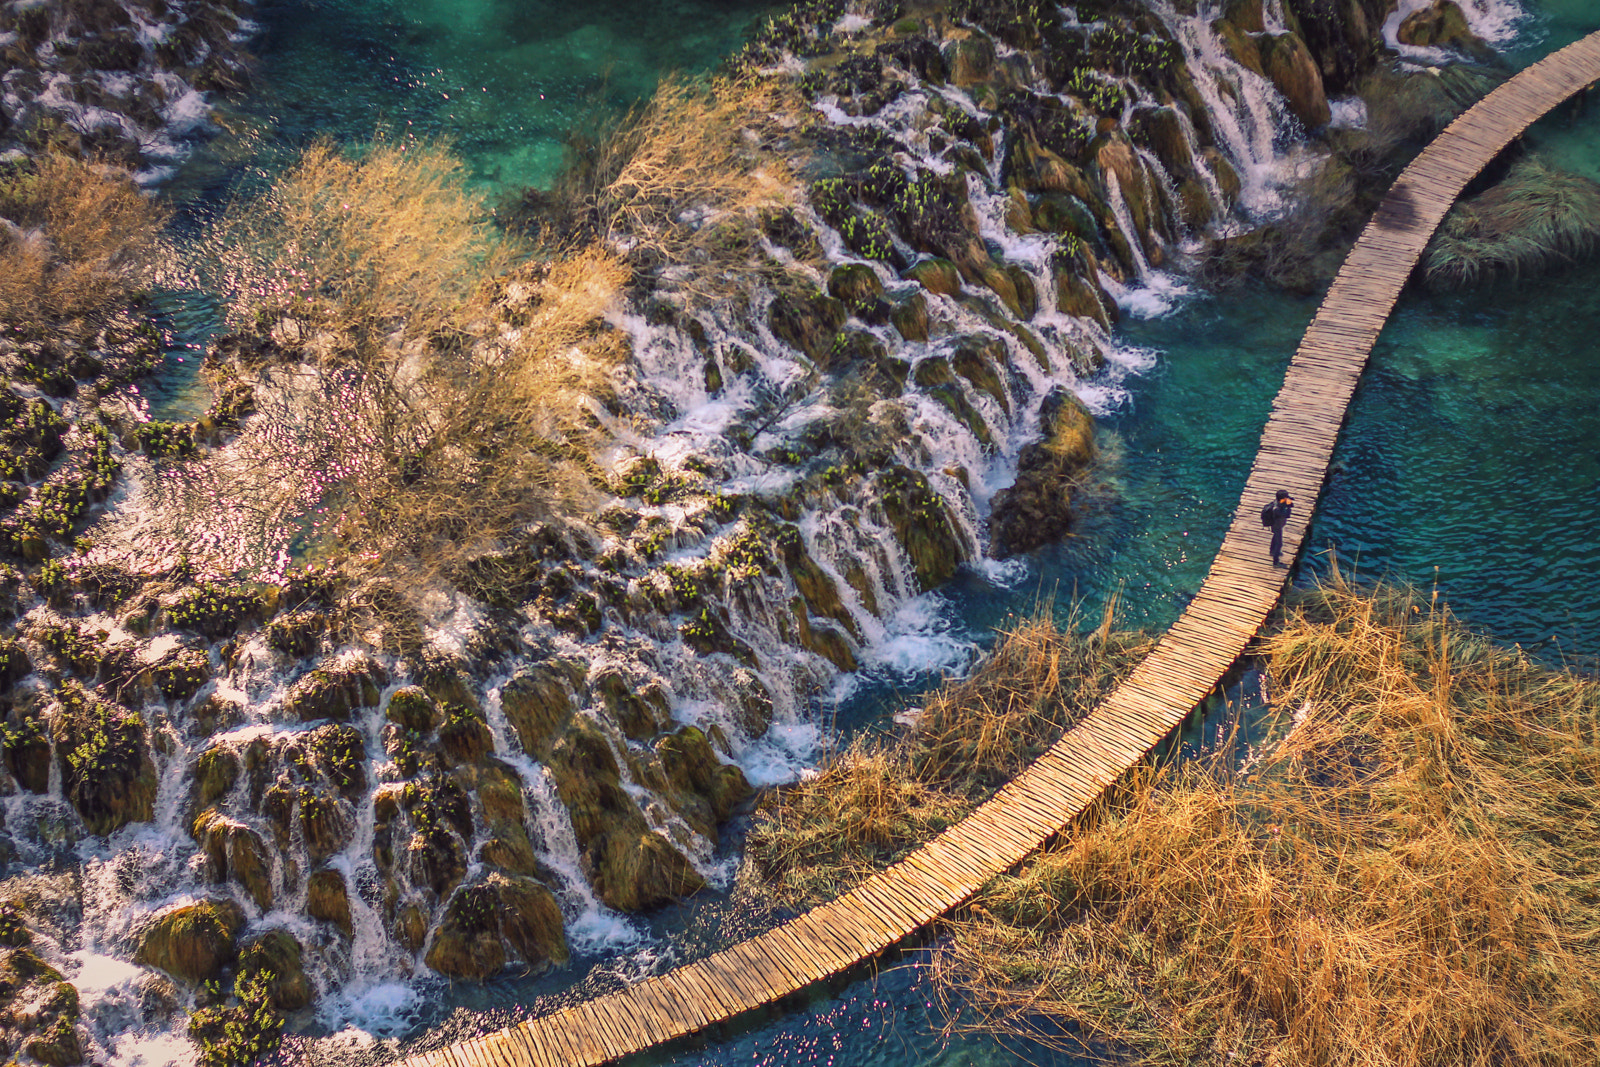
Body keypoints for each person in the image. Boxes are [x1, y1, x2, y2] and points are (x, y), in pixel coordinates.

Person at [1267, 489, 1293, 567]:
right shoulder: (1277, 509)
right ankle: (1276, 562)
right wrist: (1288, 507)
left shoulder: (1278, 503)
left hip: (1277, 525)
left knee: (1275, 537)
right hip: (1277, 526)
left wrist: (1286, 504)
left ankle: (1272, 551)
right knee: (1279, 544)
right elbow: (1287, 515)